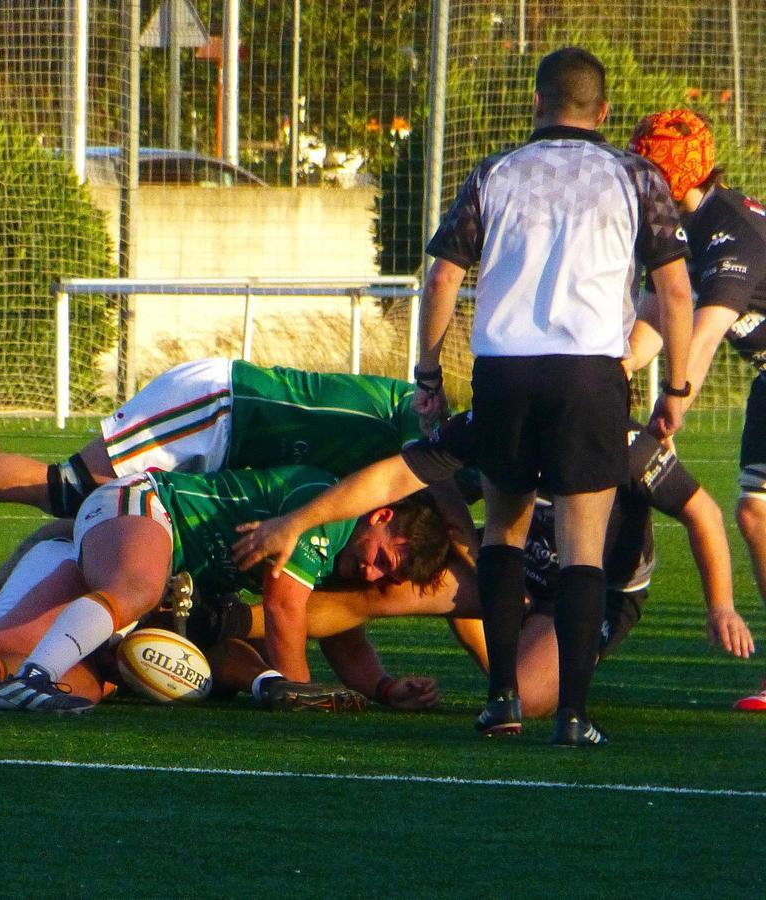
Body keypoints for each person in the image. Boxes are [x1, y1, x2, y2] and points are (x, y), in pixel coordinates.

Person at [414, 47, 695, 745]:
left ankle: (501, 700)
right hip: (590, 375)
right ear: (602, 113)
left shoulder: (496, 171)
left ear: (537, 103)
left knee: (502, 531)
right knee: (582, 548)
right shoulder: (636, 175)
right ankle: (572, 714)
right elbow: (677, 291)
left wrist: (428, 376)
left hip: (505, 371)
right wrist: (679, 386)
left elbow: (443, 275)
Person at [232, 412, 755, 715]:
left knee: (523, 701)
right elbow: (402, 480)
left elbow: (703, 513)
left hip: (596, 592)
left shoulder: (620, 442)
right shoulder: (496, 420)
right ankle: (225, 625)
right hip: (510, 567)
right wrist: (298, 522)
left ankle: (519, 660)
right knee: (388, 586)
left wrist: (722, 606)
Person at [0, 466, 451, 712]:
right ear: (382, 516)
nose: (372, 576)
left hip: (165, 570)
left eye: (386, 579)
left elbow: (343, 636)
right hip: (141, 513)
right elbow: (285, 608)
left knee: (96, 682)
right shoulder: (328, 510)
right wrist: (298, 690)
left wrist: (386, 688)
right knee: (0, 639)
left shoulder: (343, 557)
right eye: (385, 561)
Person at [624, 109, 766, 713]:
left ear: (670, 174)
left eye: (644, 169)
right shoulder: (684, 225)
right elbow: (658, 319)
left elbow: (704, 335)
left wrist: (672, 401)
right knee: (756, 513)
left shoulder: (729, 227)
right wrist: (602, 375)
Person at [0, 358, 424, 517]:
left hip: (231, 443)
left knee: (108, 514)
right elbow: (435, 484)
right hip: (221, 408)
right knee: (72, 490)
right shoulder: (429, 419)